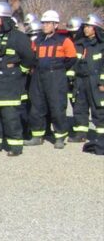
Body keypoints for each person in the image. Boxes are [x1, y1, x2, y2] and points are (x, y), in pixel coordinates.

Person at [0, 2, 35, 156]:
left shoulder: (18, 37)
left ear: (6, 19)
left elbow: (29, 58)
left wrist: (19, 71)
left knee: (10, 117)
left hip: (8, 84)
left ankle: (15, 145)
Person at [25, 10, 77, 149]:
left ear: (55, 24)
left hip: (55, 76)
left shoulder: (64, 40)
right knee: (36, 106)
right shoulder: (38, 40)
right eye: (44, 23)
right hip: (38, 76)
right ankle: (37, 135)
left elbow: (72, 58)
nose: (45, 25)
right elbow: (32, 57)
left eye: (48, 23)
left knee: (57, 106)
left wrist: (59, 68)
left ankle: (60, 137)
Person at [70, 14, 104, 152]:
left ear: (95, 28)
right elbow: (73, 62)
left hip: (95, 81)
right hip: (80, 80)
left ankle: (101, 134)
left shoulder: (101, 45)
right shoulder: (79, 44)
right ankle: (80, 134)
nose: (85, 29)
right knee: (79, 107)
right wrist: (71, 78)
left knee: (99, 108)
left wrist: (102, 81)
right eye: (85, 26)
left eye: (89, 26)